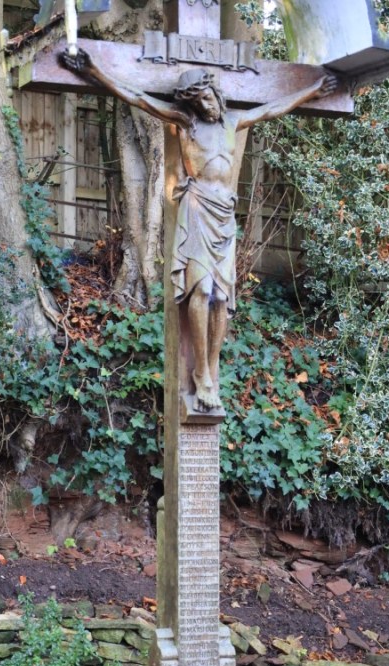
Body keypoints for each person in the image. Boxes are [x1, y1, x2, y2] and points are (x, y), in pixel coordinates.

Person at [61, 50, 337, 413]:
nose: (207, 106)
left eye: (208, 98)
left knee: (221, 297)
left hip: (224, 216)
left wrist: (312, 91)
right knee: (201, 289)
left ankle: (211, 370)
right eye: (199, 102)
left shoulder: (234, 121)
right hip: (197, 210)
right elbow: (138, 98)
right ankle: (200, 374)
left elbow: (272, 109)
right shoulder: (186, 123)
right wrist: (95, 70)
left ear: (216, 94)